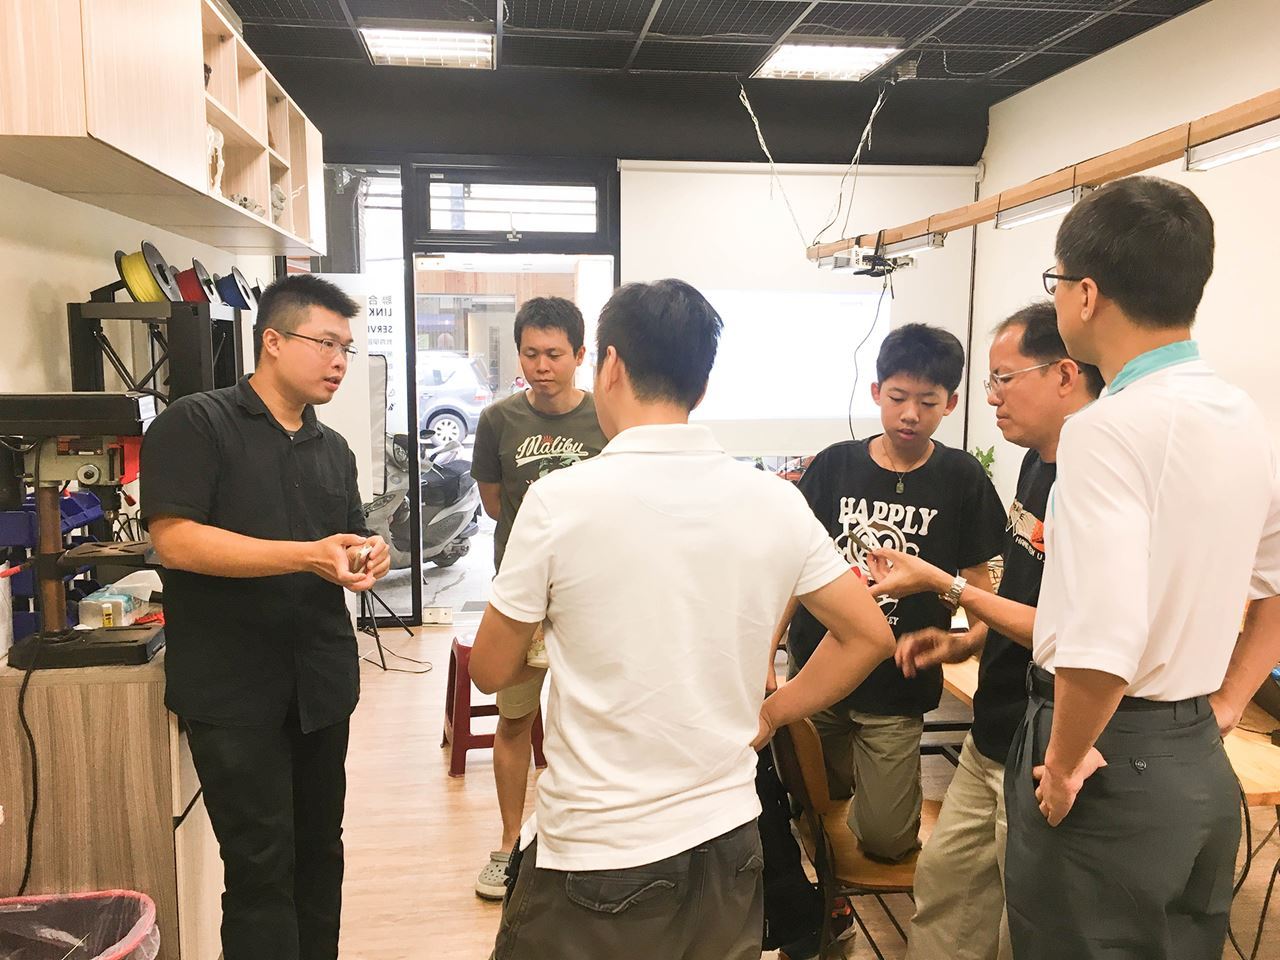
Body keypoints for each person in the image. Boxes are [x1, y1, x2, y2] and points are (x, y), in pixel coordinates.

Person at [470, 279, 896, 960]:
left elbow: (491, 669)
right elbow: (869, 635)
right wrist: (774, 712)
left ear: (609, 365)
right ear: (701, 386)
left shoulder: (558, 502)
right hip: (730, 841)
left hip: (598, 850)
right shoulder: (774, 501)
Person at [1003, 175, 1280, 959]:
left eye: (1057, 283)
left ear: (1086, 295)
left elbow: (1102, 640)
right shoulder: (1243, 416)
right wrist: (1226, 705)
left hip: (1105, 761)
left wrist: (1062, 766)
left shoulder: (1107, 429)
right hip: (1196, 758)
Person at [140, 274, 390, 960]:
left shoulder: (332, 448)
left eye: (346, 347)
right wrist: (306, 556)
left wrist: (368, 554)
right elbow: (176, 541)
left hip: (320, 685)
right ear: (273, 342)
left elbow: (347, 537)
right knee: (260, 864)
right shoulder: (197, 423)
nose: (340, 361)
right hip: (234, 689)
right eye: (326, 343)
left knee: (320, 852)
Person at [865, 301, 1102, 960]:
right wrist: (967, 640)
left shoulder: (1096, 480)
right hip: (994, 726)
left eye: (1004, 378)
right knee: (945, 890)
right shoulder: (1036, 461)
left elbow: (1069, 633)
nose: (992, 397)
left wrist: (943, 586)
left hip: (1047, 741)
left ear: (1064, 375)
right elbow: (1021, 602)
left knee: (1019, 923)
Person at [775, 323, 1005, 864]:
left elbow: (978, 580)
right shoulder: (835, 465)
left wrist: (966, 643)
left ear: (950, 404)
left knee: (885, 841)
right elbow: (793, 569)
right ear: (876, 392)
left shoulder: (962, 477)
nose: (910, 415)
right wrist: (769, 651)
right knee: (810, 801)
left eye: (928, 402)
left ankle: (872, 807)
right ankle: (828, 889)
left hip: (897, 688)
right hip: (819, 673)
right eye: (898, 398)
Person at [468, 297, 607, 899]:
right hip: (522, 597)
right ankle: (508, 843)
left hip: (593, 597)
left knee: (593, 723)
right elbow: (494, 503)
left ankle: (586, 840)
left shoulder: (606, 418)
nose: (541, 366)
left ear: (580, 355)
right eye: (531, 354)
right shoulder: (498, 419)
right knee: (515, 719)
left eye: (554, 354)